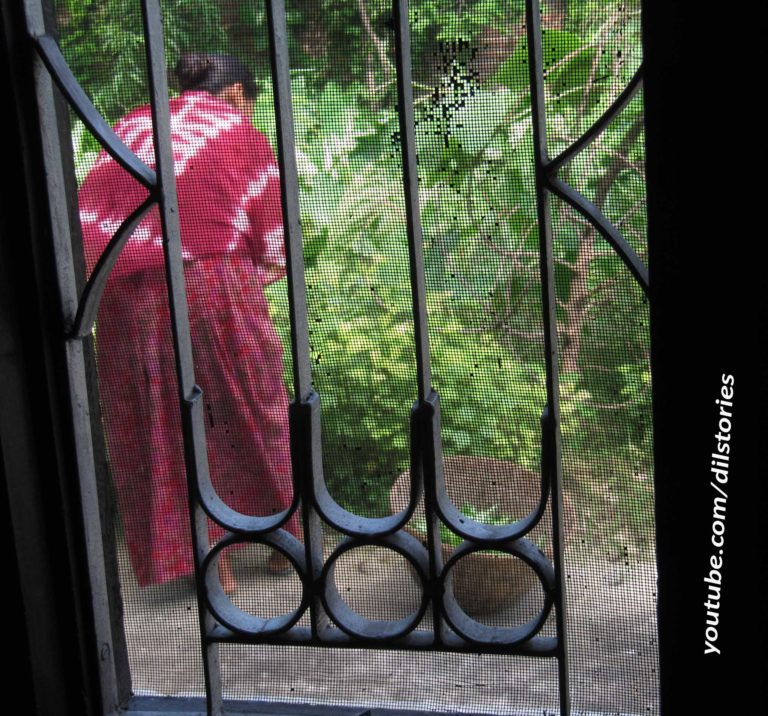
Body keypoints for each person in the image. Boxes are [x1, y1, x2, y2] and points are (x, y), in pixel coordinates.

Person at [79, 53, 299, 593]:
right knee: (249, 406)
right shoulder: (237, 130)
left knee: (159, 416)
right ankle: (283, 541)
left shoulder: (134, 123)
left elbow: (92, 221)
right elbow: (271, 226)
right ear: (238, 94)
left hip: (126, 296)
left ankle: (203, 558)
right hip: (213, 283)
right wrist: (264, 267)